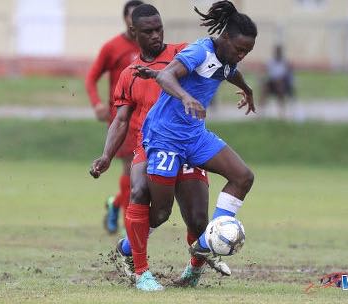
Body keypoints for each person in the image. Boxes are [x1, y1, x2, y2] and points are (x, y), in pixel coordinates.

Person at [90, 4, 226, 291]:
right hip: (149, 146)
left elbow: (217, 58)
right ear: (133, 32)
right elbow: (121, 119)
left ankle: (190, 270)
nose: (156, 35)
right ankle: (142, 272)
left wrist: (240, 82)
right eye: (148, 31)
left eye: (159, 29)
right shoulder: (129, 74)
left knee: (198, 219)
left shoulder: (182, 54)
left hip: (187, 143)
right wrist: (106, 155)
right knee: (144, 198)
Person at [132, 0, 257, 284]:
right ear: (225, 38)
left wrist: (246, 89)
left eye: (247, 52)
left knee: (243, 177)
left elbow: (229, 72)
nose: (242, 56)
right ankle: (129, 249)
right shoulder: (200, 51)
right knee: (161, 213)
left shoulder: (228, 59)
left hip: (195, 136)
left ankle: (205, 243)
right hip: (165, 137)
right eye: (240, 49)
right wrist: (186, 97)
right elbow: (166, 75)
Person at [85, 0, 144, 234]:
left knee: (145, 171)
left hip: (149, 116)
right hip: (123, 118)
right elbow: (91, 77)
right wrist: (97, 104)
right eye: (133, 18)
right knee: (131, 168)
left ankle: (116, 204)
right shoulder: (112, 47)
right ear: (126, 19)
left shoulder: (150, 45)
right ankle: (128, 216)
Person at [258, 44, 295, 118]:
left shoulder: (285, 63)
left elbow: (289, 76)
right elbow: (264, 72)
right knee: (265, 87)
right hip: (272, 82)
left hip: (283, 83)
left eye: (279, 51)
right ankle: (260, 112)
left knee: (279, 84)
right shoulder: (270, 62)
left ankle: (282, 113)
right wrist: (261, 79)